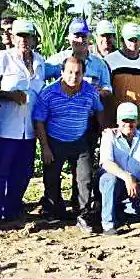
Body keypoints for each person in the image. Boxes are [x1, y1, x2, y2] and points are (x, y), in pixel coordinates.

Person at [0, 19, 46, 221]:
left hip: (29, 129)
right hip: (5, 127)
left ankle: (12, 209)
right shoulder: (3, 58)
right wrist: (9, 95)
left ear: (33, 38)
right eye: (19, 35)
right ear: (12, 37)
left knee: (22, 173)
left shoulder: (40, 61)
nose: (23, 40)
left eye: (27, 36)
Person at [33, 56, 103, 232]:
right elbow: (39, 120)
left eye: (78, 73)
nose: (74, 76)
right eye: (70, 72)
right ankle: (53, 210)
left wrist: (104, 131)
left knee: (84, 178)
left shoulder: (90, 92)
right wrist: (45, 147)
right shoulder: (49, 93)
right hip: (55, 140)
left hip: (79, 140)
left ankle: (83, 214)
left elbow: (99, 111)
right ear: (62, 73)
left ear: (83, 74)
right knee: (51, 179)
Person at [98, 103, 140, 236]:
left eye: (132, 120)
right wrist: (126, 177)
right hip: (112, 181)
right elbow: (106, 163)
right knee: (111, 179)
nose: (128, 124)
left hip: (133, 186)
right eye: (125, 120)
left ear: (137, 120)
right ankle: (108, 224)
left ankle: (121, 210)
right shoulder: (109, 136)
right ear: (118, 121)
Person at [105, 22, 140, 126]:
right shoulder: (110, 61)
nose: (134, 43)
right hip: (117, 121)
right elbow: (106, 93)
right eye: (130, 40)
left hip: (139, 121)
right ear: (122, 40)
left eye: (136, 39)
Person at [45, 18, 112, 99]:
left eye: (84, 36)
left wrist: (99, 93)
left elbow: (107, 88)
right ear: (69, 38)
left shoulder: (99, 64)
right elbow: (39, 76)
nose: (80, 40)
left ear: (89, 38)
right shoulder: (58, 60)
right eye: (77, 36)